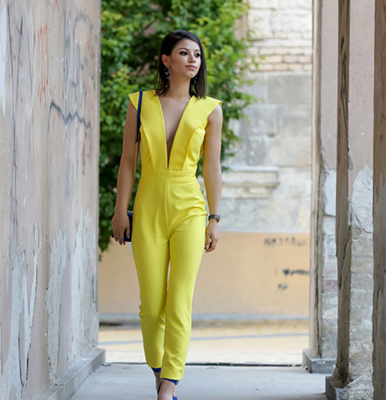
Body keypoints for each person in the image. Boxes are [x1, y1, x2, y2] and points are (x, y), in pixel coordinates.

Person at [111, 30, 223, 400]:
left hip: (190, 207)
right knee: (151, 305)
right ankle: (160, 371)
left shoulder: (210, 108)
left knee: (180, 300)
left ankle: (169, 385)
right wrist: (119, 211)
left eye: (197, 54)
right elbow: (128, 162)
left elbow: (212, 169)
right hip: (147, 207)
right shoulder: (139, 103)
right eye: (183, 53)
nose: (193, 59)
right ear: (166, 60)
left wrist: (214, 217)